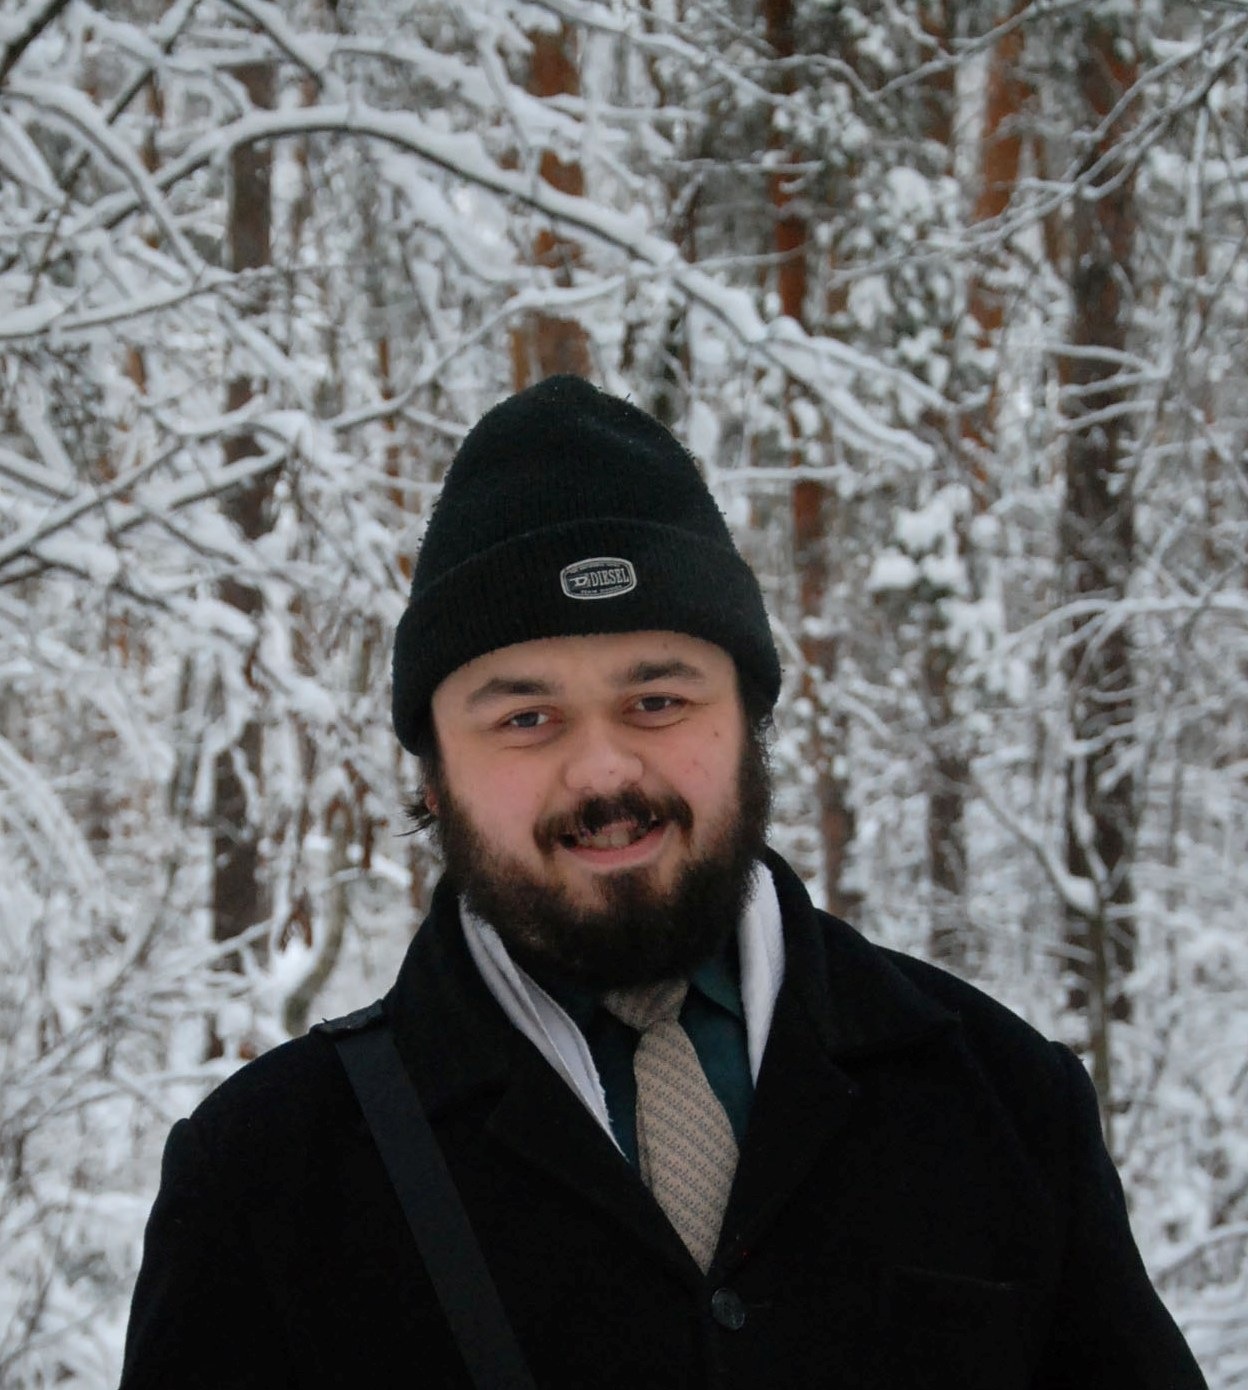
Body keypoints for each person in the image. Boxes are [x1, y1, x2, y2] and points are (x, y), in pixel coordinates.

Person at [120, 375, 1206, 1389]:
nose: (603, 773)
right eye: (526, 717)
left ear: (750, 721)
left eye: (658, 702)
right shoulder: (265, 1179)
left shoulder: (1006, 1103)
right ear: (434, 775)